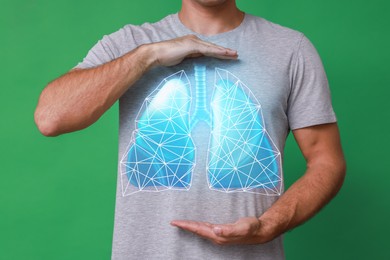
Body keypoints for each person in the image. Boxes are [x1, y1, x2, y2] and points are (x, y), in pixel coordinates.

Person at [34, 0, 346, 259]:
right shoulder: (129, 44)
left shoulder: (291, 49)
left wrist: (269, 225)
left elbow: (326, 162)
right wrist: (148, 55)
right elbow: (51, 117)